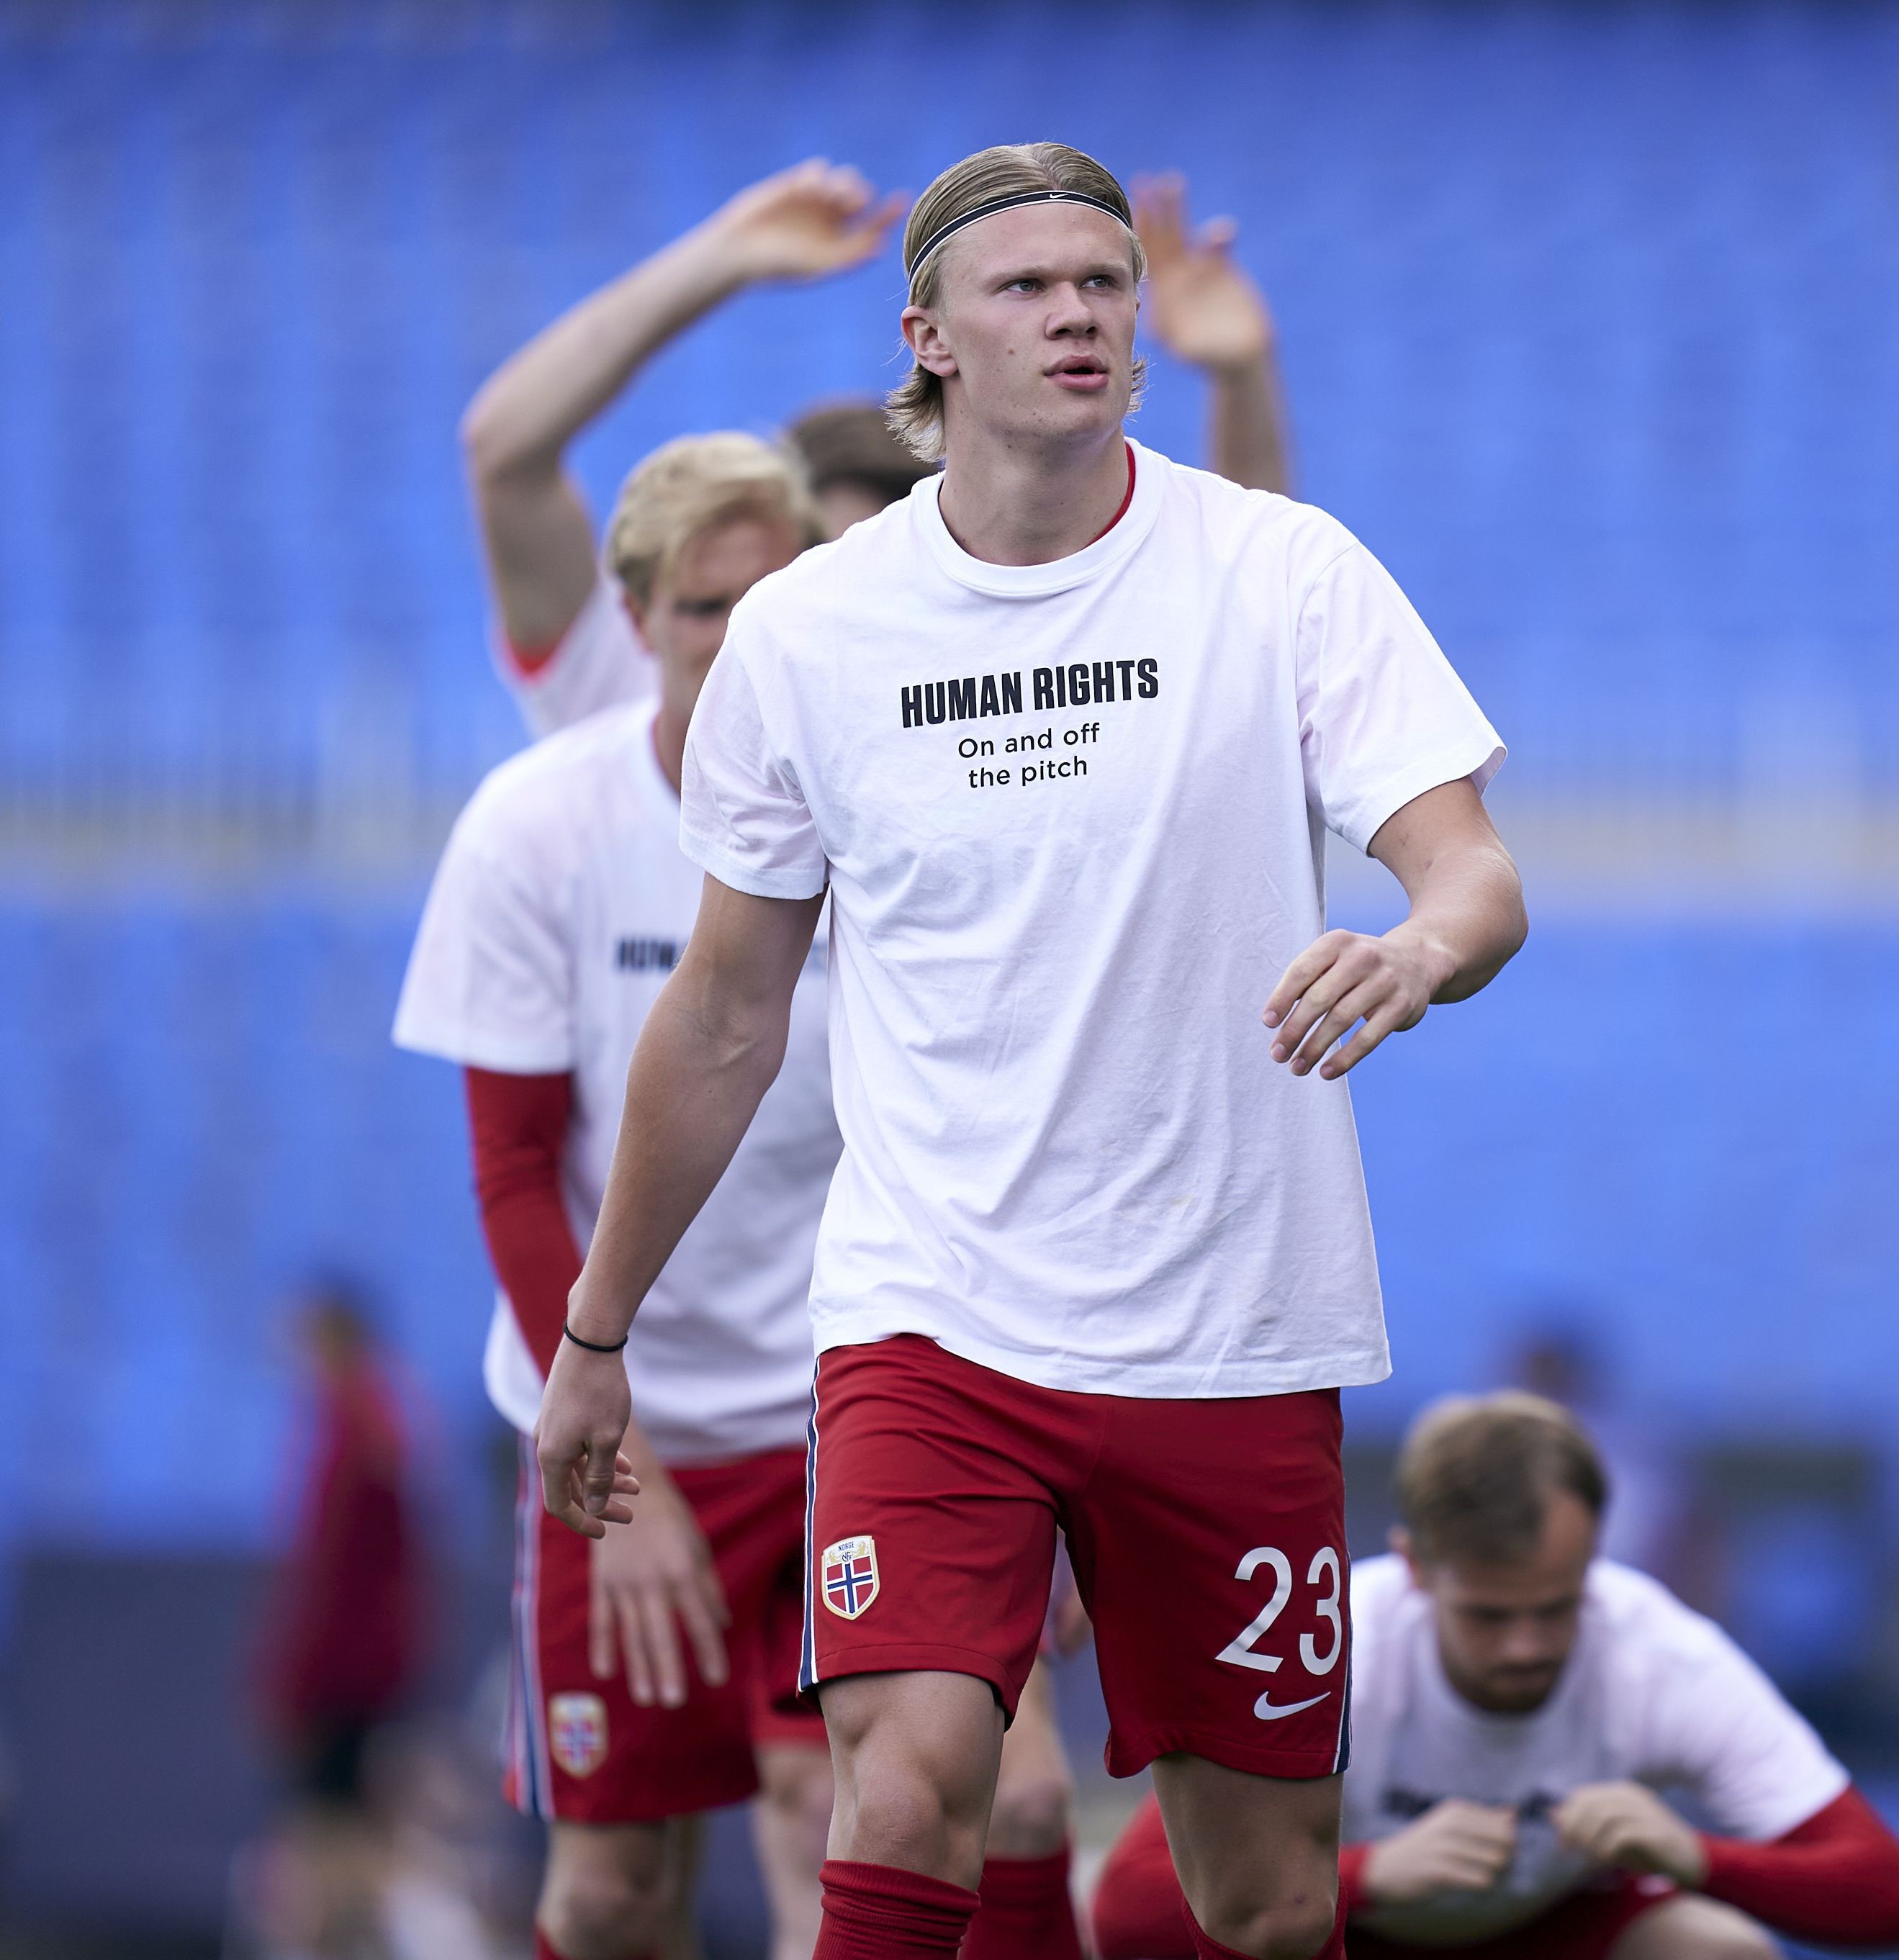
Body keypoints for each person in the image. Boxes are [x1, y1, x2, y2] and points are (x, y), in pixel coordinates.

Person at [528, 137, 1526, 1960]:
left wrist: (1419, 951)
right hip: (934, 1314)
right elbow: (729, 1010)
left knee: (1267, 1899)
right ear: (929, 338)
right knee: (903, 1787)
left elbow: (1471, 874)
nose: (1075, 313)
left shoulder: (1280, 570)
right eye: (1025, 287)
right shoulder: (812, 633)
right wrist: (599, 1338)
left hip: (1228, 1321)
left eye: (1101, 286)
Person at [394, 433, 838, 1960]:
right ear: (636, 617)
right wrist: (620, 1452)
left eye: (771, 600)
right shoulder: (539, 825)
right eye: (704, 605)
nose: (736, 637)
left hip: (844, 1418)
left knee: (841, 1835)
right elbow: (516, 1168)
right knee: (608, 1894)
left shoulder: (891, 814)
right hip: (622, 1435)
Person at [460, 159, 1295, 742]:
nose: (754, 621)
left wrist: (1242, 377)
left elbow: (1226, 592)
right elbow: (505, 453)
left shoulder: (959, 714)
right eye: (793, 572)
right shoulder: (635, 688)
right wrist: (725, 257)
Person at [1086, 1394, 1899, 1960]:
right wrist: (1371, 1874)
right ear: (1416, 1567)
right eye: (1489, 1614)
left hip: (1550, 1930)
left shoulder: (1659, 1652)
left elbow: (1894, 1896)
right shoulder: (1335, 1642)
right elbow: (1126, 1909)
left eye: (1558, 1605)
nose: (1527, 1645)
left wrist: (1694, 1854)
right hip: (1347, 1933)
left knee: (1721, 1950)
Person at [247, 1285, 433, 1960]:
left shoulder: (351, 1433)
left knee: (332, 1832)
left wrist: (295, 1683)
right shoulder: (383, 1422)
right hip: (372, 1665)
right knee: (352, 1825)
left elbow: (331, 1579)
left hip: (344, 1673)